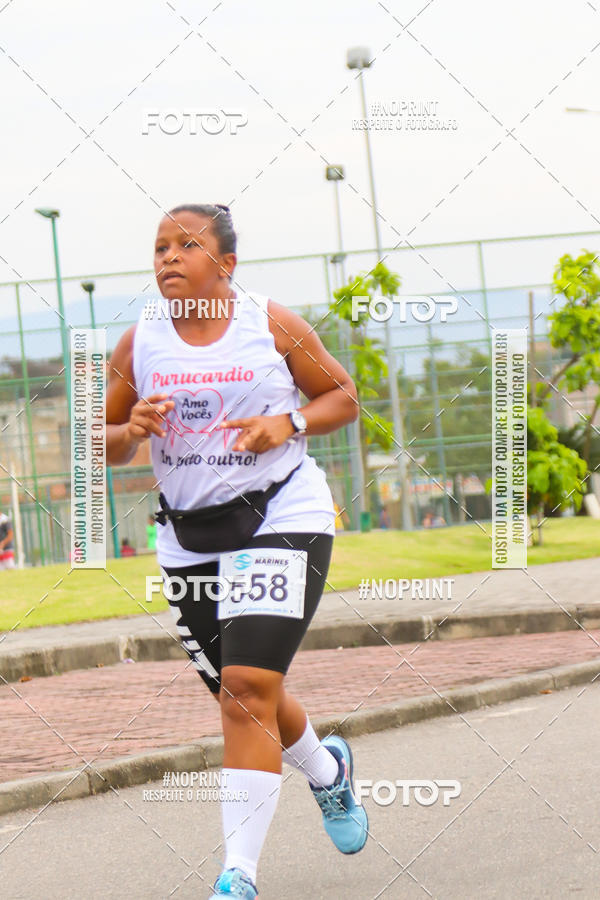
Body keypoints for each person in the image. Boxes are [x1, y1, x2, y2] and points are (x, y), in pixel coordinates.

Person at [106, 204, 368, 899]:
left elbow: (343, 396)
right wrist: (127, 429)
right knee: (244, 692)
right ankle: (327, 771)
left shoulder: (271, 324)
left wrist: (289, 421)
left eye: (185, 245)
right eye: (159, 246)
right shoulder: (139, 344)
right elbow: (95, 442)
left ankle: (237, 877)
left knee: (246, 691)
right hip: (190, 539)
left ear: (225, 264)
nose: (167, 257)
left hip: (282, 514)